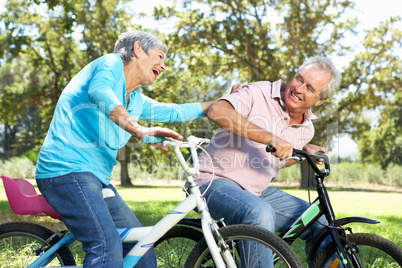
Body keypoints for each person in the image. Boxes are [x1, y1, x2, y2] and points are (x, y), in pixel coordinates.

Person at [35, 29, 219, 267]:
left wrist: (224, 102)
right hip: (65, 171)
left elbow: (176, 111)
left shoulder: (136, 100)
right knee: (105, 244)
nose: (163, 66)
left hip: (97, 180)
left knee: (140, 245)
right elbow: (99, 92)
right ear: (138, 49)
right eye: (160, 57)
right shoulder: (110, 63)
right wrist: (139, 130)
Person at [195, 56, 342, 266]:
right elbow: (217, 111)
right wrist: (270, 137)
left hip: (256, 192)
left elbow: (277, 159)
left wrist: (302, 153)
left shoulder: (307, 129)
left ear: (319, 100)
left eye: (309, 88)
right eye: (299, 79)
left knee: (320, 221)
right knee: (259, 212)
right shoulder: (259, 91)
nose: (299, 89)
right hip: (213, 181)